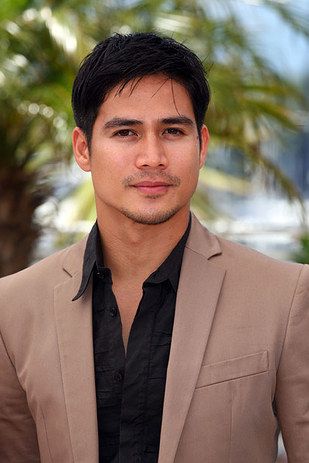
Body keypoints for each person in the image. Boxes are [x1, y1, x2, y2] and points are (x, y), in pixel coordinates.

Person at [0, 32, 308, 463]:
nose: (152, 157)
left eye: (172, 131)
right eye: (125, 132)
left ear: (201, 146)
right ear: (84, 149)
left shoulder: (287, 295)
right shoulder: (12, 308)